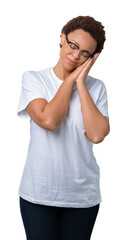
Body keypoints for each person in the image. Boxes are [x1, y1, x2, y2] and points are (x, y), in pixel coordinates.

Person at [17, 15, 110, 240]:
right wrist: (69, 81)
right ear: (62, 38)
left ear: (92, 57)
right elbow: (49, 121)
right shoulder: (34, 79)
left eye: (85, 53)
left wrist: (81, 83)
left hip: (82, 197)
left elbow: (97, 135)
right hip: (39, 194)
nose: (76, 55)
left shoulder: (96, 88)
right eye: (73, 45)